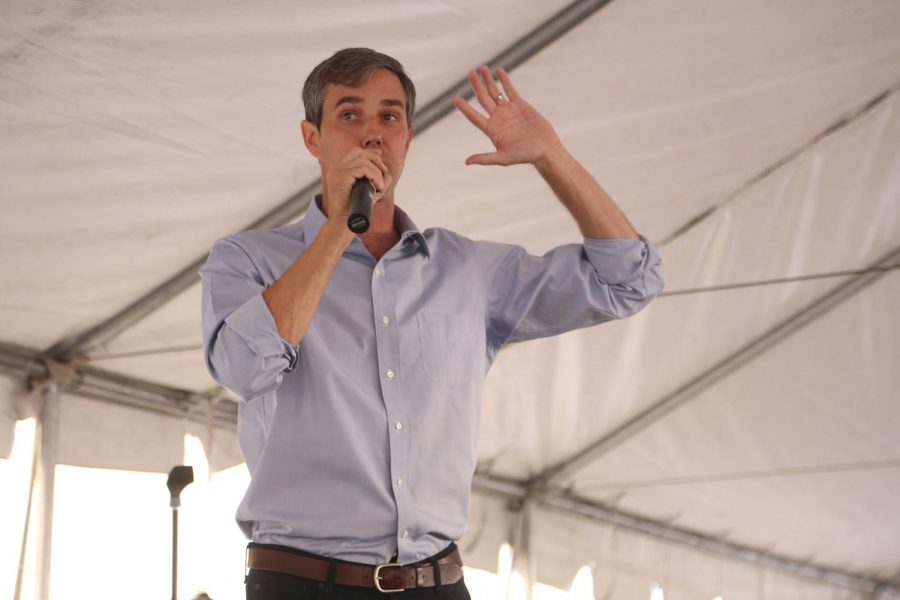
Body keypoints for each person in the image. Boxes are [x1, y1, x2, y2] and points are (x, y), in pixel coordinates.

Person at [201, 48, 663, 600]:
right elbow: (244, 367)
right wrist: (339, 230)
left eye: (389, 116)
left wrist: (551, 157)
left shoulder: (466, 270)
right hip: (305, 583)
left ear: (408, 138)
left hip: (437, 582)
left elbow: (628, 281)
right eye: (350, 115)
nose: (373, 134)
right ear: (312, 138)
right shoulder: (248, 259)